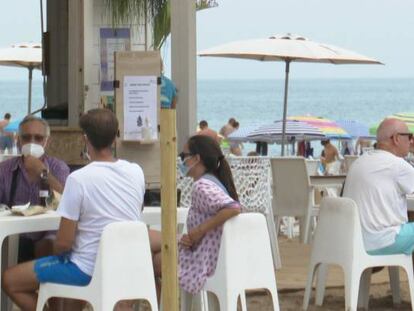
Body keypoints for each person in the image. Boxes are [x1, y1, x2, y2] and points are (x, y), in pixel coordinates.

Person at [2, 109, 147, 311]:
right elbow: (136, 211)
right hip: (124, 264)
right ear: (115, 137)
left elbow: (63, 244)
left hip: (85, 268)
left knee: (10, 279)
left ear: (84, 138)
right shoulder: (136, 171)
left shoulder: (79, 179)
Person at [152, 135, 241, 295]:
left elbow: (234, 207)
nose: (180, 160)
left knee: (151, 258)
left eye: (183, 156)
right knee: (151, 244)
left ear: (196, 159)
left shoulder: (202, 186)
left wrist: (198, 231)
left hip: (201, 259)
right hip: (209, 253)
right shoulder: (214, 181)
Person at [0, 115, 70, 260]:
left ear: (46, 141)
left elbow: (67, 198)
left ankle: (39, 280)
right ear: (18, 140)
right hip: (13, 234)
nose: (32, 143)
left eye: (38, 138)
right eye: (26, 137)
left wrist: (43, 172)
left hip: (46, 233)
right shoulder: (5, 169)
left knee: (48, 242)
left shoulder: (58, 167)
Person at [343, 118, 414, 255]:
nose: (411, 141)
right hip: (382, 241)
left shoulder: (360, 161)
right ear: (396, 138)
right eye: (409, 136)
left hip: (354, 241)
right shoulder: (397, 165)